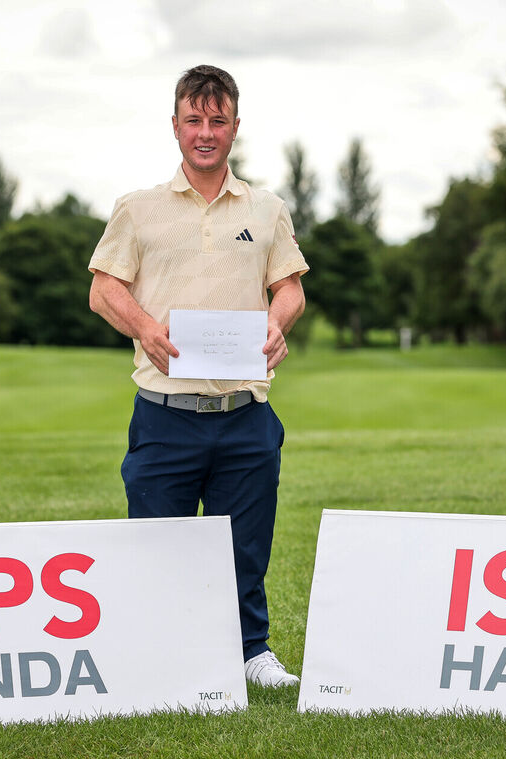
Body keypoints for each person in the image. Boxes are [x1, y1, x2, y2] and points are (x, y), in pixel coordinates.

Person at [87, 65, 309, 687]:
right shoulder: (138, 209)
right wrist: (146, 330)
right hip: (165, 412)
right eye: (194, 120)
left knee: (246, 544)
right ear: (176, 126)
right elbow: (105, 290)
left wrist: (276, 324)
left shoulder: (266, 209)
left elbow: (288, 289)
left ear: (236, 127)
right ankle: (161, 656)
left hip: (246, 412)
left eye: (218, 121)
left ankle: (251, 653)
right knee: (158, 548)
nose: (205, 133)